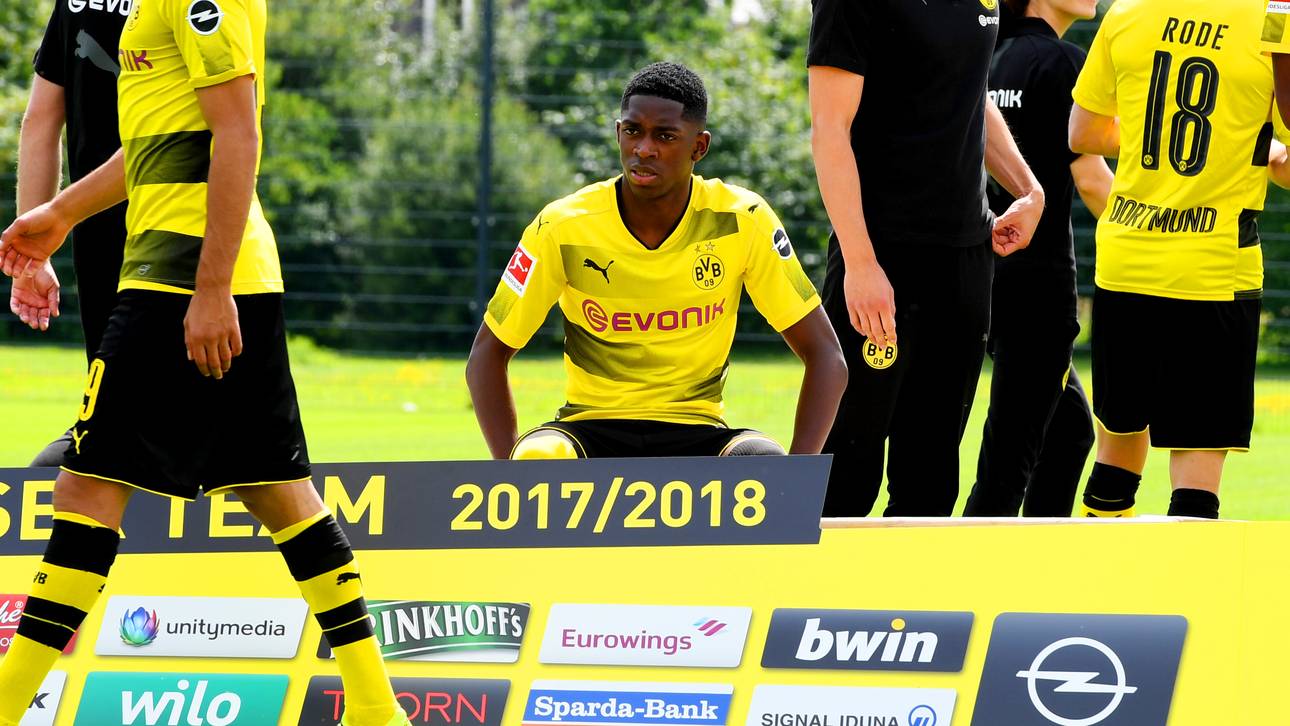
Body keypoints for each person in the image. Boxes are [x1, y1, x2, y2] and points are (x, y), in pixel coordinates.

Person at [0, 0, 408, 723]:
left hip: (180, 279)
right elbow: (163, 145)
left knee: (86, 490)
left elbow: (238, 133)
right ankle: (376, 707)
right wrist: (60, 214)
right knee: (278, 491)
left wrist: (210, 288)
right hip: (197, 273)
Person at [466, 62, 847, 460]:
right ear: (618, 133)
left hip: (698, 431)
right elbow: (487, 354)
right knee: (538, 458)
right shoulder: (562, 225)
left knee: (762, 465)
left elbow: (827, 357)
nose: (643, 149)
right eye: (632, 131)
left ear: (698, 146)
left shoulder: (743, 219)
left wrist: (797, 479)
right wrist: (505, 476)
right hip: (587, 429)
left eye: (665, 136)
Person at [808, 0, 1047, 517]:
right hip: (881, 258)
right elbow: (830, 128)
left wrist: (1028, 190)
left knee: (931, 479)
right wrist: (861, 262)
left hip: (966, 261)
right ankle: (820, 598)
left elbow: (971, 94)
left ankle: (907, 598)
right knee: (845, 473)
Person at [1070, 0, 1290, 518]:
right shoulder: (1270, 21)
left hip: (1126, 262)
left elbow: (1081, 134)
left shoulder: (1126, 13)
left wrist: (1153, 129)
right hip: (1214, 270)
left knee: (1118, 445)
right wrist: (1245, 148)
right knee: (1197, 460)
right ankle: (1183, 595)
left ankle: (1093, 590)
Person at [963, 0, 1114, 518]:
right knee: (1008, 458)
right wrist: (1149, 234)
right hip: (1040, 284)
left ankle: (1043, 556)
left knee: (1070, 430)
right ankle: (975, 579)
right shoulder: (1065, 62)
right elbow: (1092, 179)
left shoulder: (988, 55)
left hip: (987, 275)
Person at [11, 0, 129, 466]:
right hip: (124, 249)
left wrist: (46, 230)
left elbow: (161, 140)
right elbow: (40, 122)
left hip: (175, 245)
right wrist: (31, 251)